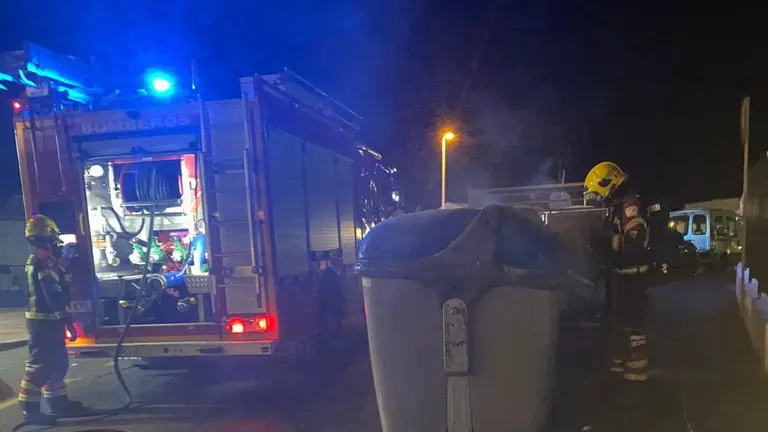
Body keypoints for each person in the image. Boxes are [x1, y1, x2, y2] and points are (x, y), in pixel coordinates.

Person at [584, 162, 651, 382]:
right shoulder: (617, 205)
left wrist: (606, 242)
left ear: (608, 184)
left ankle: (637, 374)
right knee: (619, 322)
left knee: (633, 323)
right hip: (621, 276)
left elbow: (635, 239)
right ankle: (622, 366)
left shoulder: (630, 204)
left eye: (597, 191)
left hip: (633, 276)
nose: (596, 197)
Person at [17, 214, 86, 423]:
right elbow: (53, 295)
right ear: (46, 239)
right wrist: (68, 322)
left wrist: (63, 263)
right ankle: (30, 409)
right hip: (44, 322)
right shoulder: (41, 263)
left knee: (58, 361)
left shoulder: (43, 262)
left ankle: (57, 401)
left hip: (48, 321)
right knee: (39, 366)